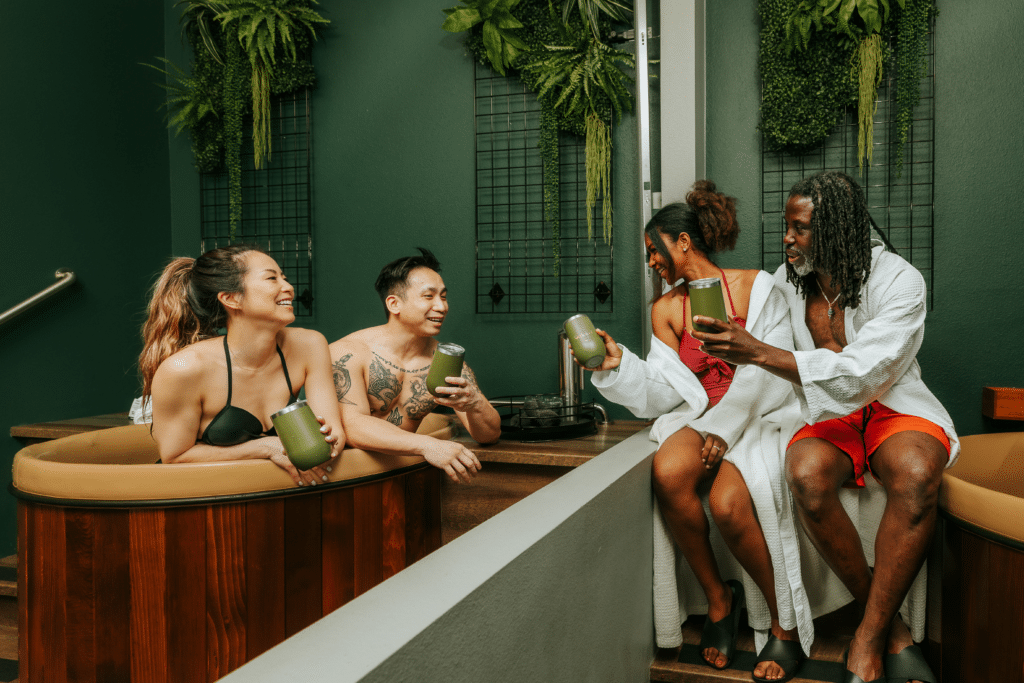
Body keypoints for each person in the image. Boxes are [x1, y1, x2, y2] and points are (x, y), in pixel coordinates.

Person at [695, 171, 956, 683]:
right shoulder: (788, 282)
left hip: (889, 401)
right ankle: (892, 629)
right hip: (822, 409)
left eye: (801, 228)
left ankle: (867, 635)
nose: (788, 239)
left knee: (920, 472)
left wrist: (763, 352)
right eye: (787, 227)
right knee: (807, 476)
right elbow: (762, 367)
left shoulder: (899, 280)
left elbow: (869, 370)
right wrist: (733, 389)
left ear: (839, 228)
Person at [585, 182, 807, 682]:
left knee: (729, 504)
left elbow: (769, 371)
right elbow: (666, 391)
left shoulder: (759, 287)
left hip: (759, 415)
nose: (650, 263)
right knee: (668, 471)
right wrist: (619, 367)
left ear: (683, 242)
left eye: (653, 250)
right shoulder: (665, 310)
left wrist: (726, 430)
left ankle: (783, 624)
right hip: (704, 417)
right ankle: (718, 601)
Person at [139, 244, 344, 486]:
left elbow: (332, 430)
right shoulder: (185, 368)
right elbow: (174, 457)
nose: (288, 287)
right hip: (193, 496)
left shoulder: (310, 345)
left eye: (284, 278)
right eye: (271, 278)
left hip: (268, 496)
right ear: (231, 298)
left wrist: (328, 441)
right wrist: (264, 447)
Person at [329, 247, 499, 484]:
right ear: (394, 304)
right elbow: (353, 425)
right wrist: (429, 446)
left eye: (444, 296)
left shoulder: (445, 363)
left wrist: (475, 403)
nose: (441, 306)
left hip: (395, 478)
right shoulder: (348, 353)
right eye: (428, 296)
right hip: (342, 477)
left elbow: (489, 435)